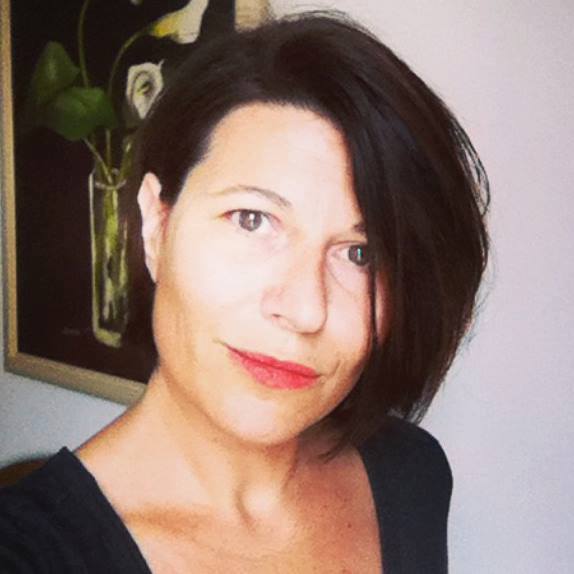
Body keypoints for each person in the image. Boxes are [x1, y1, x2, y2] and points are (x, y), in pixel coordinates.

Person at [0, 11, 489, 573]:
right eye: (252, 220)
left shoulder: (410, 475)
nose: (304, 308)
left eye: (361, 254)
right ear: (156, 225)